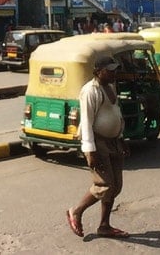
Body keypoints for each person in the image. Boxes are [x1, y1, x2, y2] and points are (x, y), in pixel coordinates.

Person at [66, 56, 130, 239]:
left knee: (115, 185)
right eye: (110, 70)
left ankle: (104, 226)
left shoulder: (110, 87)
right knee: (104, 184)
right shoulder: (90, 91)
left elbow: (116, 113)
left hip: (114, 141)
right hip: (98, 143)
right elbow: (86, 122)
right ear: (98, 72)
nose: (114, 73)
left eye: (115, 69)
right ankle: (76, 211)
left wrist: (122, 137)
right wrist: (90, 151)